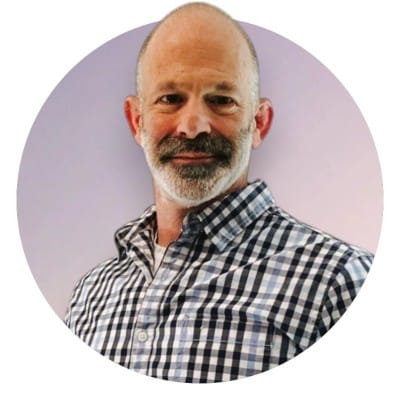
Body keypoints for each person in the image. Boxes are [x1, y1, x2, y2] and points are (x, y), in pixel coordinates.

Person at [65, 2, 373, 383]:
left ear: (259, 123)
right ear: (136, 121)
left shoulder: (341, 281)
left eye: (222, 100)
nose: (193, 126)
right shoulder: (90, 294)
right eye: (170, 99)